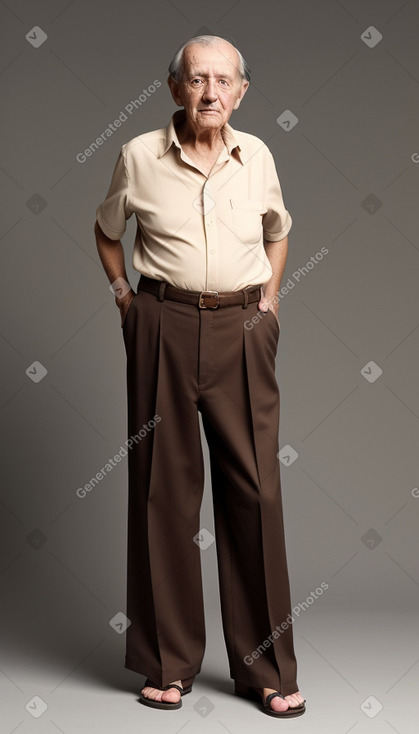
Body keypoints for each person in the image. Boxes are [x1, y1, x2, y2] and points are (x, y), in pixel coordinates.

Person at [94, 34, 306, 718]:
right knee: (162, 492)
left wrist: (269, 303)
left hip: (243, 329)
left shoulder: (259, 158)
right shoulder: (137, 157)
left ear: (241, 92)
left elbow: (278, 230)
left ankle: (265, 669)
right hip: (161, 322)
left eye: (222, 81)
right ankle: (166, 663)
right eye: (196, 79)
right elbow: (105, 230)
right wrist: (126, 300)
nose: (210, 92)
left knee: (255, 493)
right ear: (174, 87)